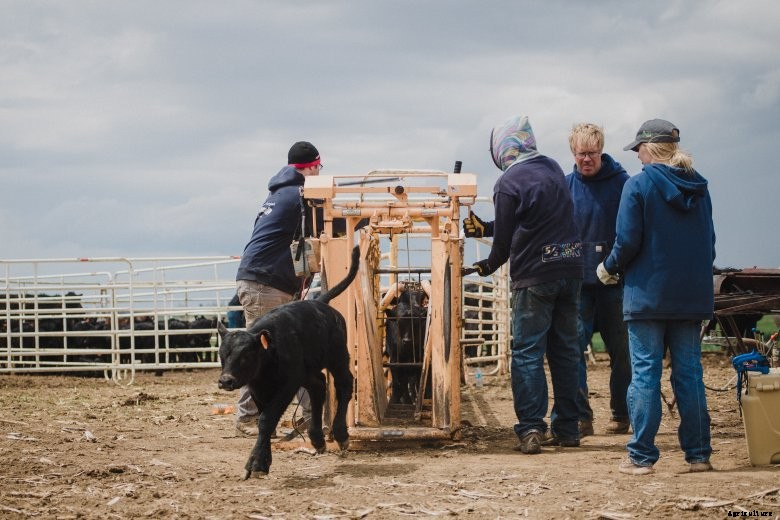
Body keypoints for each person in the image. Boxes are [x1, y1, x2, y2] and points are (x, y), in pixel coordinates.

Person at [598, 119, 715, 475]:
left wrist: (608, 267)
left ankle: (641, 457)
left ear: (650, 149)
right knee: (690, 373)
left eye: (639, 149)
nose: (637, 156)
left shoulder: (638, 185)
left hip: (647, 295)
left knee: (646, 373)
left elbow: (628, 240)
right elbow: (709, 243)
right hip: (690, 295)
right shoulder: (699, 187)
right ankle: (698, 456)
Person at [463, 115, 584, 453]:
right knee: (565, 351)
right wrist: (484, 228)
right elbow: (531, 222)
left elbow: (502, 247)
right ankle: (568, 429)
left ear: (501, 148)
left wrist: (484, 265)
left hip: (535, 278)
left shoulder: (508, 183)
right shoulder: (553, 170)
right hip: (571, 269)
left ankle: (531, 429)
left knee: (528, 353)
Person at [233, 140, 322, 437]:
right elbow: (330, 225)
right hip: (267, 283)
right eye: (319, 168)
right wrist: (364, 219)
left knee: (259, 352)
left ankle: (250, 417)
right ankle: (310, 416)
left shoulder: (279, 194)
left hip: (258, 280)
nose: (319, 173)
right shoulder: (300, 196)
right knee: (290, 352)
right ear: (310, 167)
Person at [561, 123, 631, 438]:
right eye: (580, 154)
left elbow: (632, 232)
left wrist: (617, 264)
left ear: (600, 150)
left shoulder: (622, 185)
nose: (585, 160)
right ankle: (580, 417)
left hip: (615, 282)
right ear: (573, 154)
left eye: (591, 153)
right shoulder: (565, 187)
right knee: (573, 350)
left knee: (621, 350)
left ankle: (621, 412)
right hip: (578, 284)